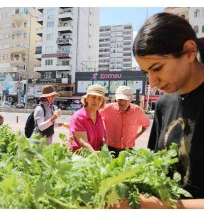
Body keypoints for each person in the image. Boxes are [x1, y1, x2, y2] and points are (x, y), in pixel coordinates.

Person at [114, 12, 204, 208]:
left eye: (157, 68)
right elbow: (156, 169)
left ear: (189, 51)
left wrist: (151, 206)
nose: (152, 82)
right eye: (146, 72)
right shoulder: (164, 104)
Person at [100, 85, 150, 157]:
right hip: (110, 149)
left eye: (125, 99)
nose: (122, 102)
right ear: (116, 99)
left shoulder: (137, 111)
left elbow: (146, 125)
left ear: (130, 99)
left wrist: (135, 137)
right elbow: (95, 119)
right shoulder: (107, 108)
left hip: (128, 150)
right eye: (120, 99)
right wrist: (103, 135)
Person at [69, 84, 106, 152]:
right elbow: (83, 142)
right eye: (93, 97)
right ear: (87, 98)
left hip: (94, 157)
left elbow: (101, 138)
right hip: (79, 158)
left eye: (100, 98)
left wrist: (104, 145)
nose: (96, 101)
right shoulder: (79, 117)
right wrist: (95, 156)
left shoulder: (100, 116)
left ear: (102, 102)